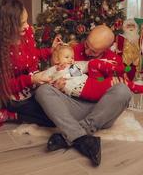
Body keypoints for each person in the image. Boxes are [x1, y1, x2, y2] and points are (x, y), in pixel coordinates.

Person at [35, 25, 133, 166]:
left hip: (101, 111)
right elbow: (54, 71)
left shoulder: (113, 61)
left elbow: (115, 91)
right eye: (87, 45)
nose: (86, 51)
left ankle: (71, 135)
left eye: (93, 51)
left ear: (106, 49)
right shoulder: (72, 51)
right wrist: (57, 85)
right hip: (74, 105)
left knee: (123, 90)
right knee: (42, 91)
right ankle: (82, 138)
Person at [0, 0, 61, 128]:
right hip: (16, 95)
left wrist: (50, 51)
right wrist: (31, 80)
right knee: (52, 119)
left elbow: (31, 56)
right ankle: (11, 113)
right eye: (21, 23)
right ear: (7, 27)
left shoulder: (27, 32)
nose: (28, 26)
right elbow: (5, 86)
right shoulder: (1, 50)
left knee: (58, 109)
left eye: (27, 20)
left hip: (33, 84)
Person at [43, 44, 143, 102]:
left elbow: (87, 65)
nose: (71, 59)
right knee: (116, 82)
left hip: (91, 82)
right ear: (57, 59)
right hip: (88, 91)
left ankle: (120, 69)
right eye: (67, 57)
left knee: (93, 64)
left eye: (72, 57)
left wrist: (105, 61)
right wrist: (56, 86)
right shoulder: (54, 72)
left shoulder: (72, 66)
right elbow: (44, 81)